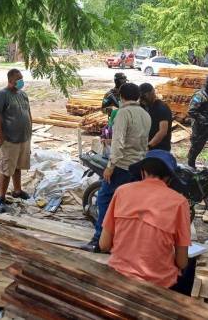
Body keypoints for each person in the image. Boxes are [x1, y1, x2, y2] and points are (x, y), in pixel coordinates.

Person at [99, 150, 193, 294]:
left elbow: (104, 245)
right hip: (160, 284)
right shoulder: (180, 202)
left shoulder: (121, 191)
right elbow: (181, 262)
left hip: (117, 274)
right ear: (169, 178)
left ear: (142, 172)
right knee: (190, 270)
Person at [82, 83, 151, 252]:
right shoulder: (145, 114)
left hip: (121, 166)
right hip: (138, 166)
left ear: (122, 97)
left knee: (104, 199)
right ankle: (124, 241)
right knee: (129, 205)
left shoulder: (123, 113)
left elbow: (119, 143)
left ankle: (99, 240)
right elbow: (137, 141)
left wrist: (110, 166)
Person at [0, 68, 32, 213]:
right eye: (18, 79)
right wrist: (0, 136)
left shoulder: (23, 95)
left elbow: (28, 113)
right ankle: (1, 198)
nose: (21, 81)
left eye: (21, 78)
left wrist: (30, 132)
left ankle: (17, 190)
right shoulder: (1, 95)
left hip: (24, 138)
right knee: (6, 169)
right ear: (10, 80)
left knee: (18, 166)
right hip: (9, 139)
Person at [139, 83, 173, 151]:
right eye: (140, 98)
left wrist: (149, 146)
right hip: (144, 146)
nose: (142, 101)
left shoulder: (162, 108)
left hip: (160, 148)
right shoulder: (142, 105)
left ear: (152, 93)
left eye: (144, 97)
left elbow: (162, 131)